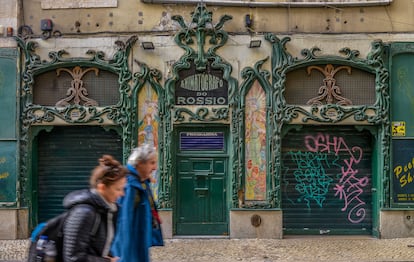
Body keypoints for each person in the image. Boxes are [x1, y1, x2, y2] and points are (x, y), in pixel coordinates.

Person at [62, 154, 127, 262]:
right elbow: (73, 258)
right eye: (118, 189)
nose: (122, 194)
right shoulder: (83, 213)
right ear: (102, 187)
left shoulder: (107, 210)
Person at [111, 144, 162, 262]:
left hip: (139, 242)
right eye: (152, 163)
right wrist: (125, 257)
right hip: (130, 248)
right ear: (140, 163)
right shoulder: (130, 186)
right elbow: (124, 223)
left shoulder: (141, 183)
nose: (155, 167)